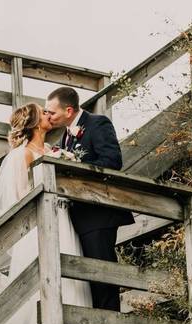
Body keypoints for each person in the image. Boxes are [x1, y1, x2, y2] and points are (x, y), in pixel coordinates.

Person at [0, 103, 93, 324]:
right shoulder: (21, 154)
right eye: (44, 113)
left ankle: (72, 323)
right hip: (38, 224)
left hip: (63, 218)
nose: (49, 115)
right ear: (35, 123)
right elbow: (18, 198)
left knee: (67, 266)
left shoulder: (51, 150)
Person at [45, 86, 129, 311]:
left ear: (69, 110)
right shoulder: (64, 136)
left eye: (51, 112)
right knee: (88, 278)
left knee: (102, 273)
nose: (48, 117)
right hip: (78, 215)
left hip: (98, 213)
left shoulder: (97, 124)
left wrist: (75, 166)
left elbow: (112, 161)